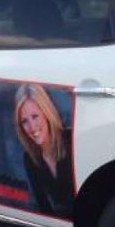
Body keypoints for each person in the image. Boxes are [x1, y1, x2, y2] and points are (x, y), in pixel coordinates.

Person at [13, 83, 74, 218]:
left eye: (35, 116)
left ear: (46, 113)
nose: (32, 127)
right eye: (24, 121)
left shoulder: (71, 141)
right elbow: (44, 206)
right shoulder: (30, 158)